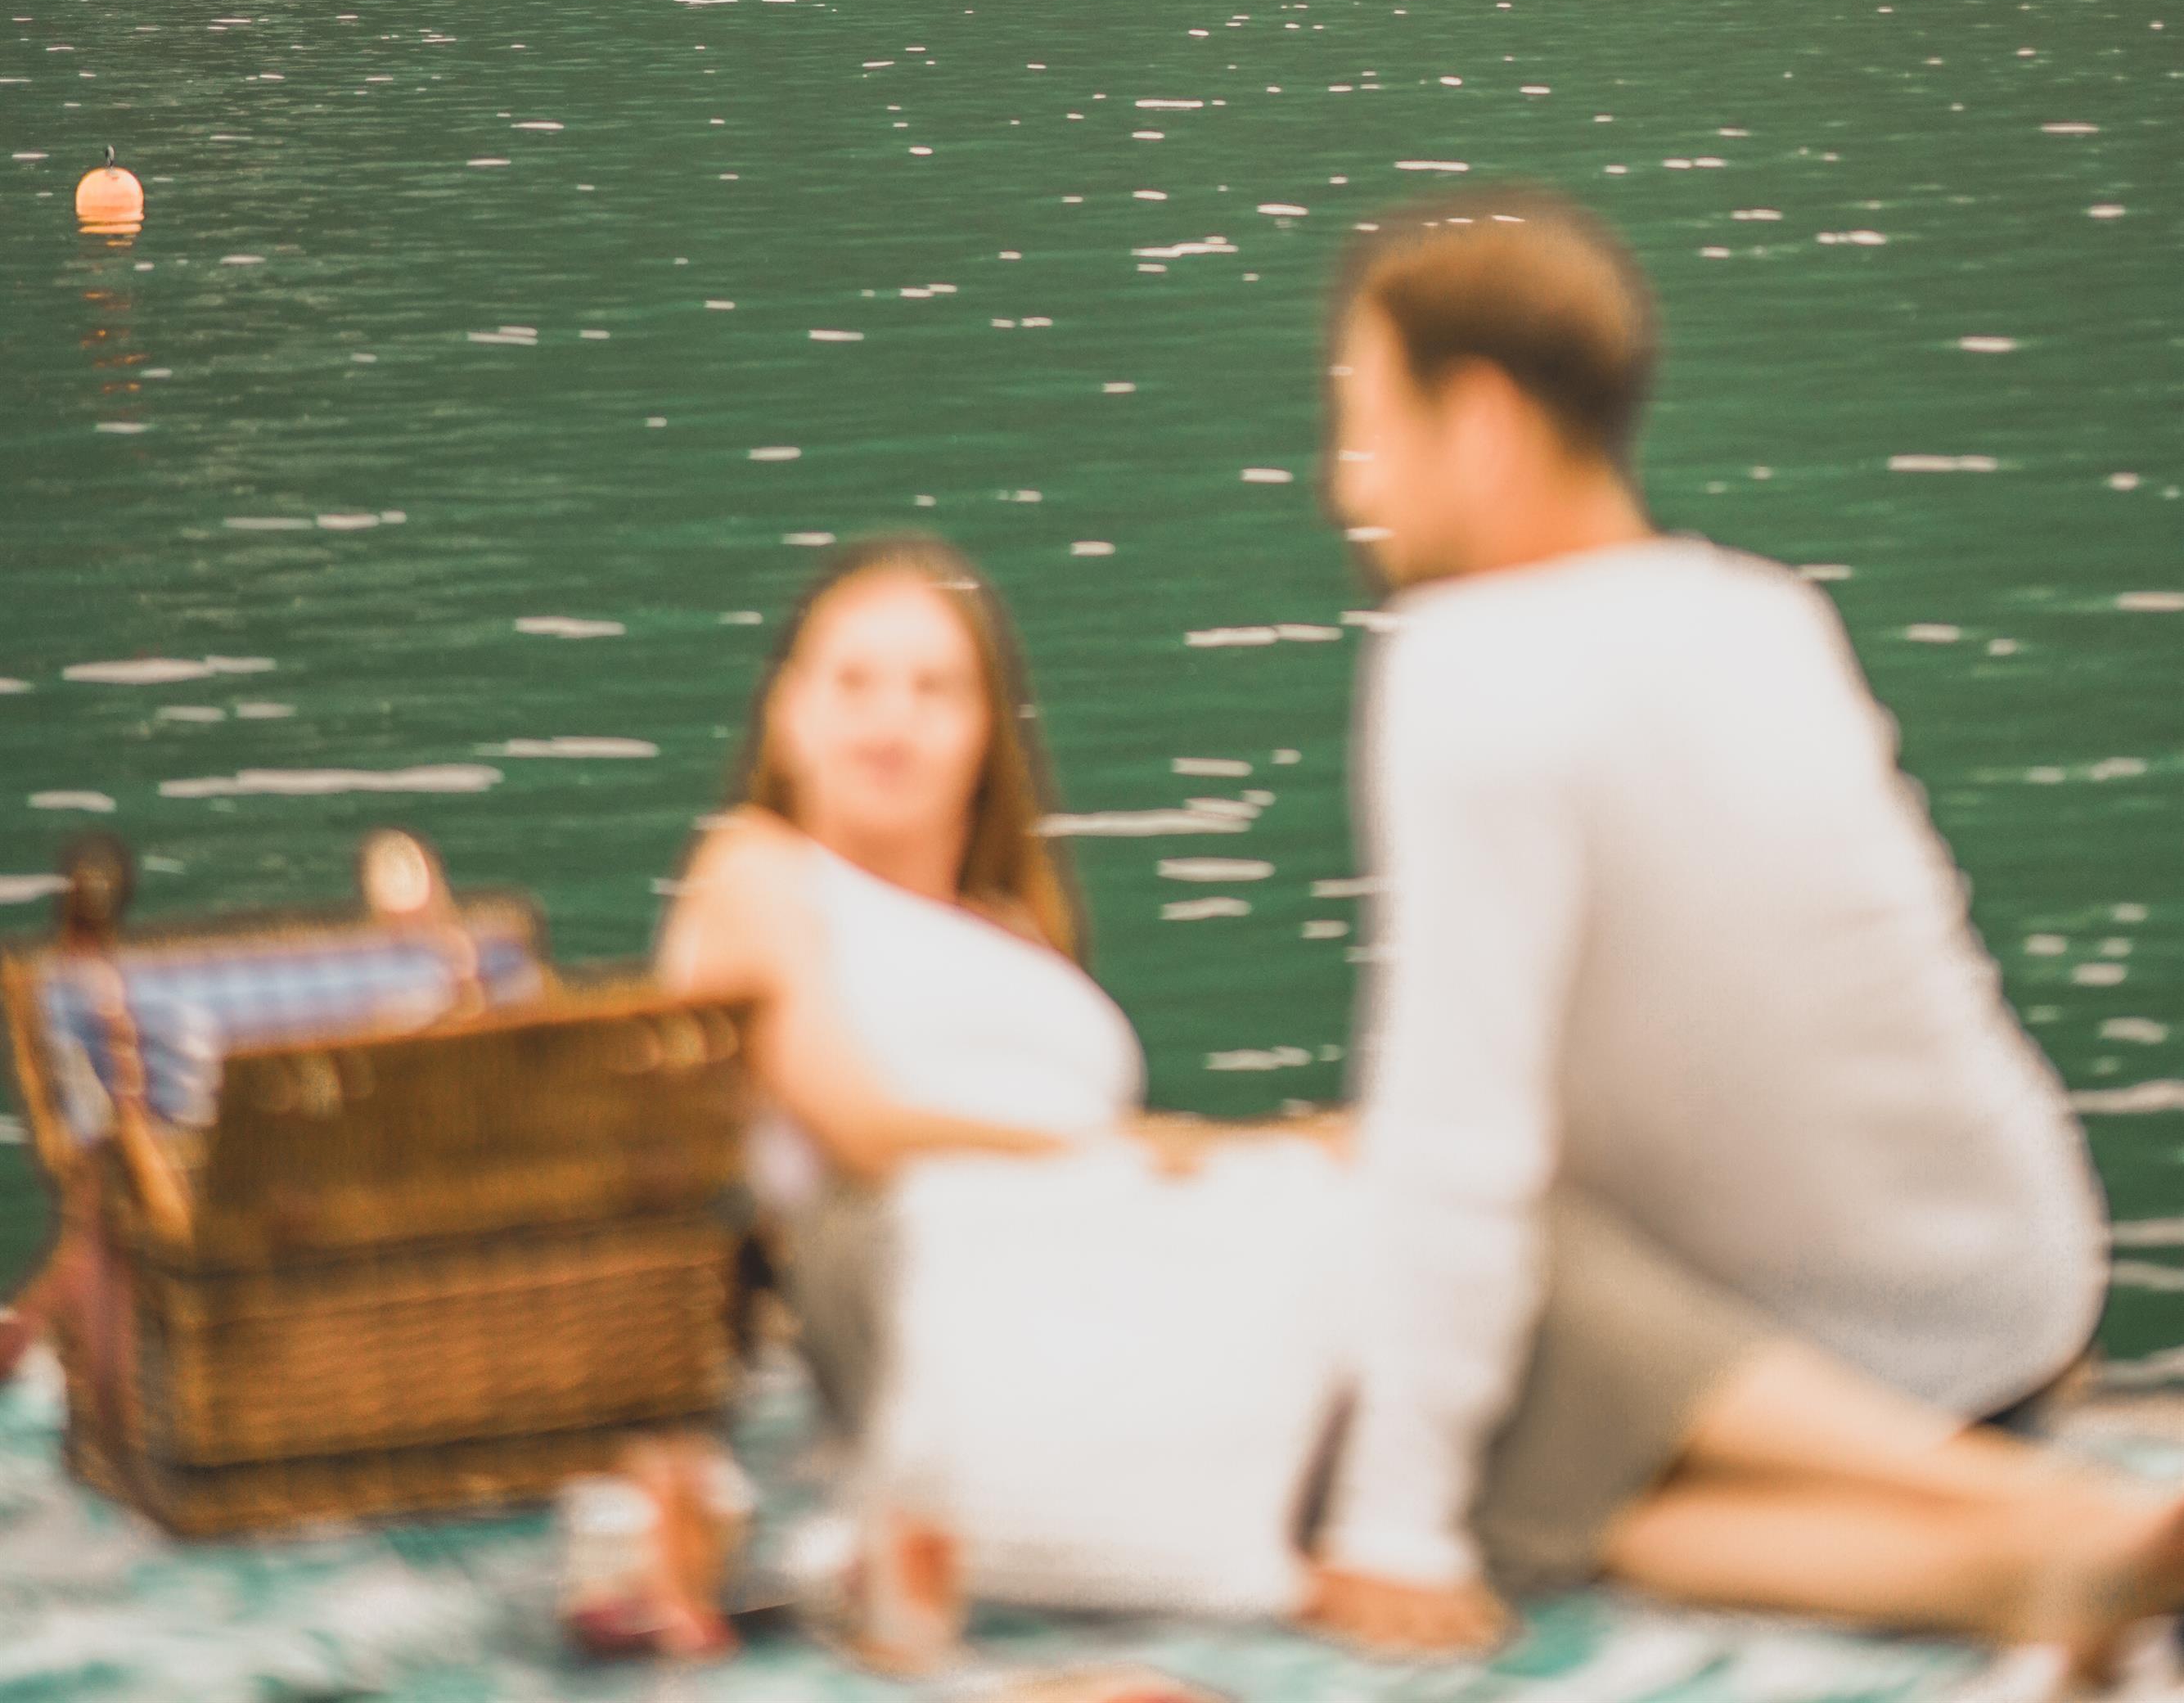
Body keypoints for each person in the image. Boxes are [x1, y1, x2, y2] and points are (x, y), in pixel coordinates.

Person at [656, 536, 2181, 1671]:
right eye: (853, 682)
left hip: (1110, 1286)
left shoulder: (1009, 936)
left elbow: (1096, 1162)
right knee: (1514, 1254)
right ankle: (2014, 1493)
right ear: (785, 714)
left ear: (988, 734)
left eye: (934, 688)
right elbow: (859, 1126)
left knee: (1520, 1497)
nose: (891, 719)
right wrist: (1187, 1152)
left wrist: (1205, 1165)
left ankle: (2029, 1575)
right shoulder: (759, 874)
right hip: (938, 1290)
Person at [1314, 191, 2110, 1656]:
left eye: (1362, 426)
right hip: (2024, 1300)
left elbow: (1459, 1138)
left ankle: (2031, 1553)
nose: (1342, 486)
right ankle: (2041, 1516)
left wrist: (1394, 1523)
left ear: (1476, 427)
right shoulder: (1758, 612)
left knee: (1439, 1451)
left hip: (1844, 1395)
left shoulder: (1466, 675)